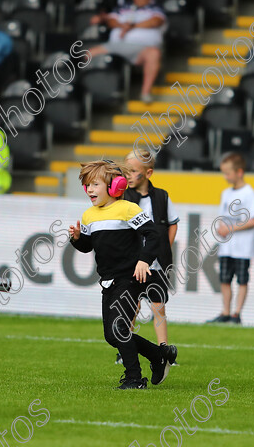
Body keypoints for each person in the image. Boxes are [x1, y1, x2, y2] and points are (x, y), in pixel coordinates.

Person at [68, 159, 174, 390]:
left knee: (119, 330)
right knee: (112, 336)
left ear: (116, 186)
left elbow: (154, 235)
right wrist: (76, 238)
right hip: (109, 281)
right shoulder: (89, 216)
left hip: (130, 278)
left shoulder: (128, 209)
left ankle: (134, 378)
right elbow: (87, 246)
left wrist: (144, 261)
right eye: (87, 185)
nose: (90, 190)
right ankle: (158, 355)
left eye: (95, 184)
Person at [122, 149, 179, 363]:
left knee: (158, 306)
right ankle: (125, 347)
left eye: (133, 171)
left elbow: (172, 223)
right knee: (132, 304)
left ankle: (164, 350)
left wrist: (164, 246)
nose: (128, 175)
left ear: (148, 173)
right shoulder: (124, 198)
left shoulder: (162, 197)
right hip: (134, 261)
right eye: (126, 171)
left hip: (157, 264)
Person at [88, 0, 167, 104]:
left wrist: (131, 26)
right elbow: (111, 20)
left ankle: (145, 93)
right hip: (115, 46)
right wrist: (121, 24)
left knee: (154, 54)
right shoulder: (124, 7)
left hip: (142, 49)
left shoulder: (156, 7)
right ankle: (88, 93)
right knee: (88, 54)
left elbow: (155, 21)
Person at [207, 152, 254, 324]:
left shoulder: (249, 193)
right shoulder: (226, 193)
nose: (225, 176)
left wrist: (231, 227)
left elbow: (253, 220)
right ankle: (226, 312)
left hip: (242, 248)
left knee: (242, 280)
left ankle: (237, 313)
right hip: (227, 246)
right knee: (224, 279)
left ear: (239, 172)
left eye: (228, 173)